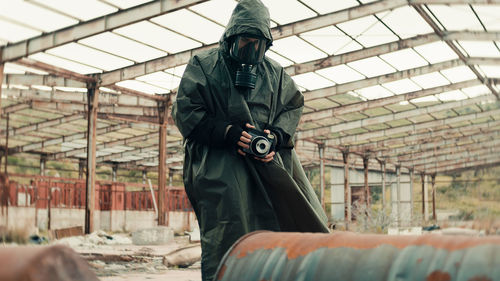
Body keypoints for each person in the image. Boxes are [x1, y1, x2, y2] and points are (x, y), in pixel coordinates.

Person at [172, 0, 329, 280]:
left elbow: (292, 106)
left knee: (287, 223)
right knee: (229, 235)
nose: (250, 51)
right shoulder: (205, 66)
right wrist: (228, 134)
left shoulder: (275, 74)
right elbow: (186, 114)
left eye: (257, 44)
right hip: (222, 169)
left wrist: (276, 136)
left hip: (268, 165)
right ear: (231, 36)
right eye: (244, 41)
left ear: (266, 43)